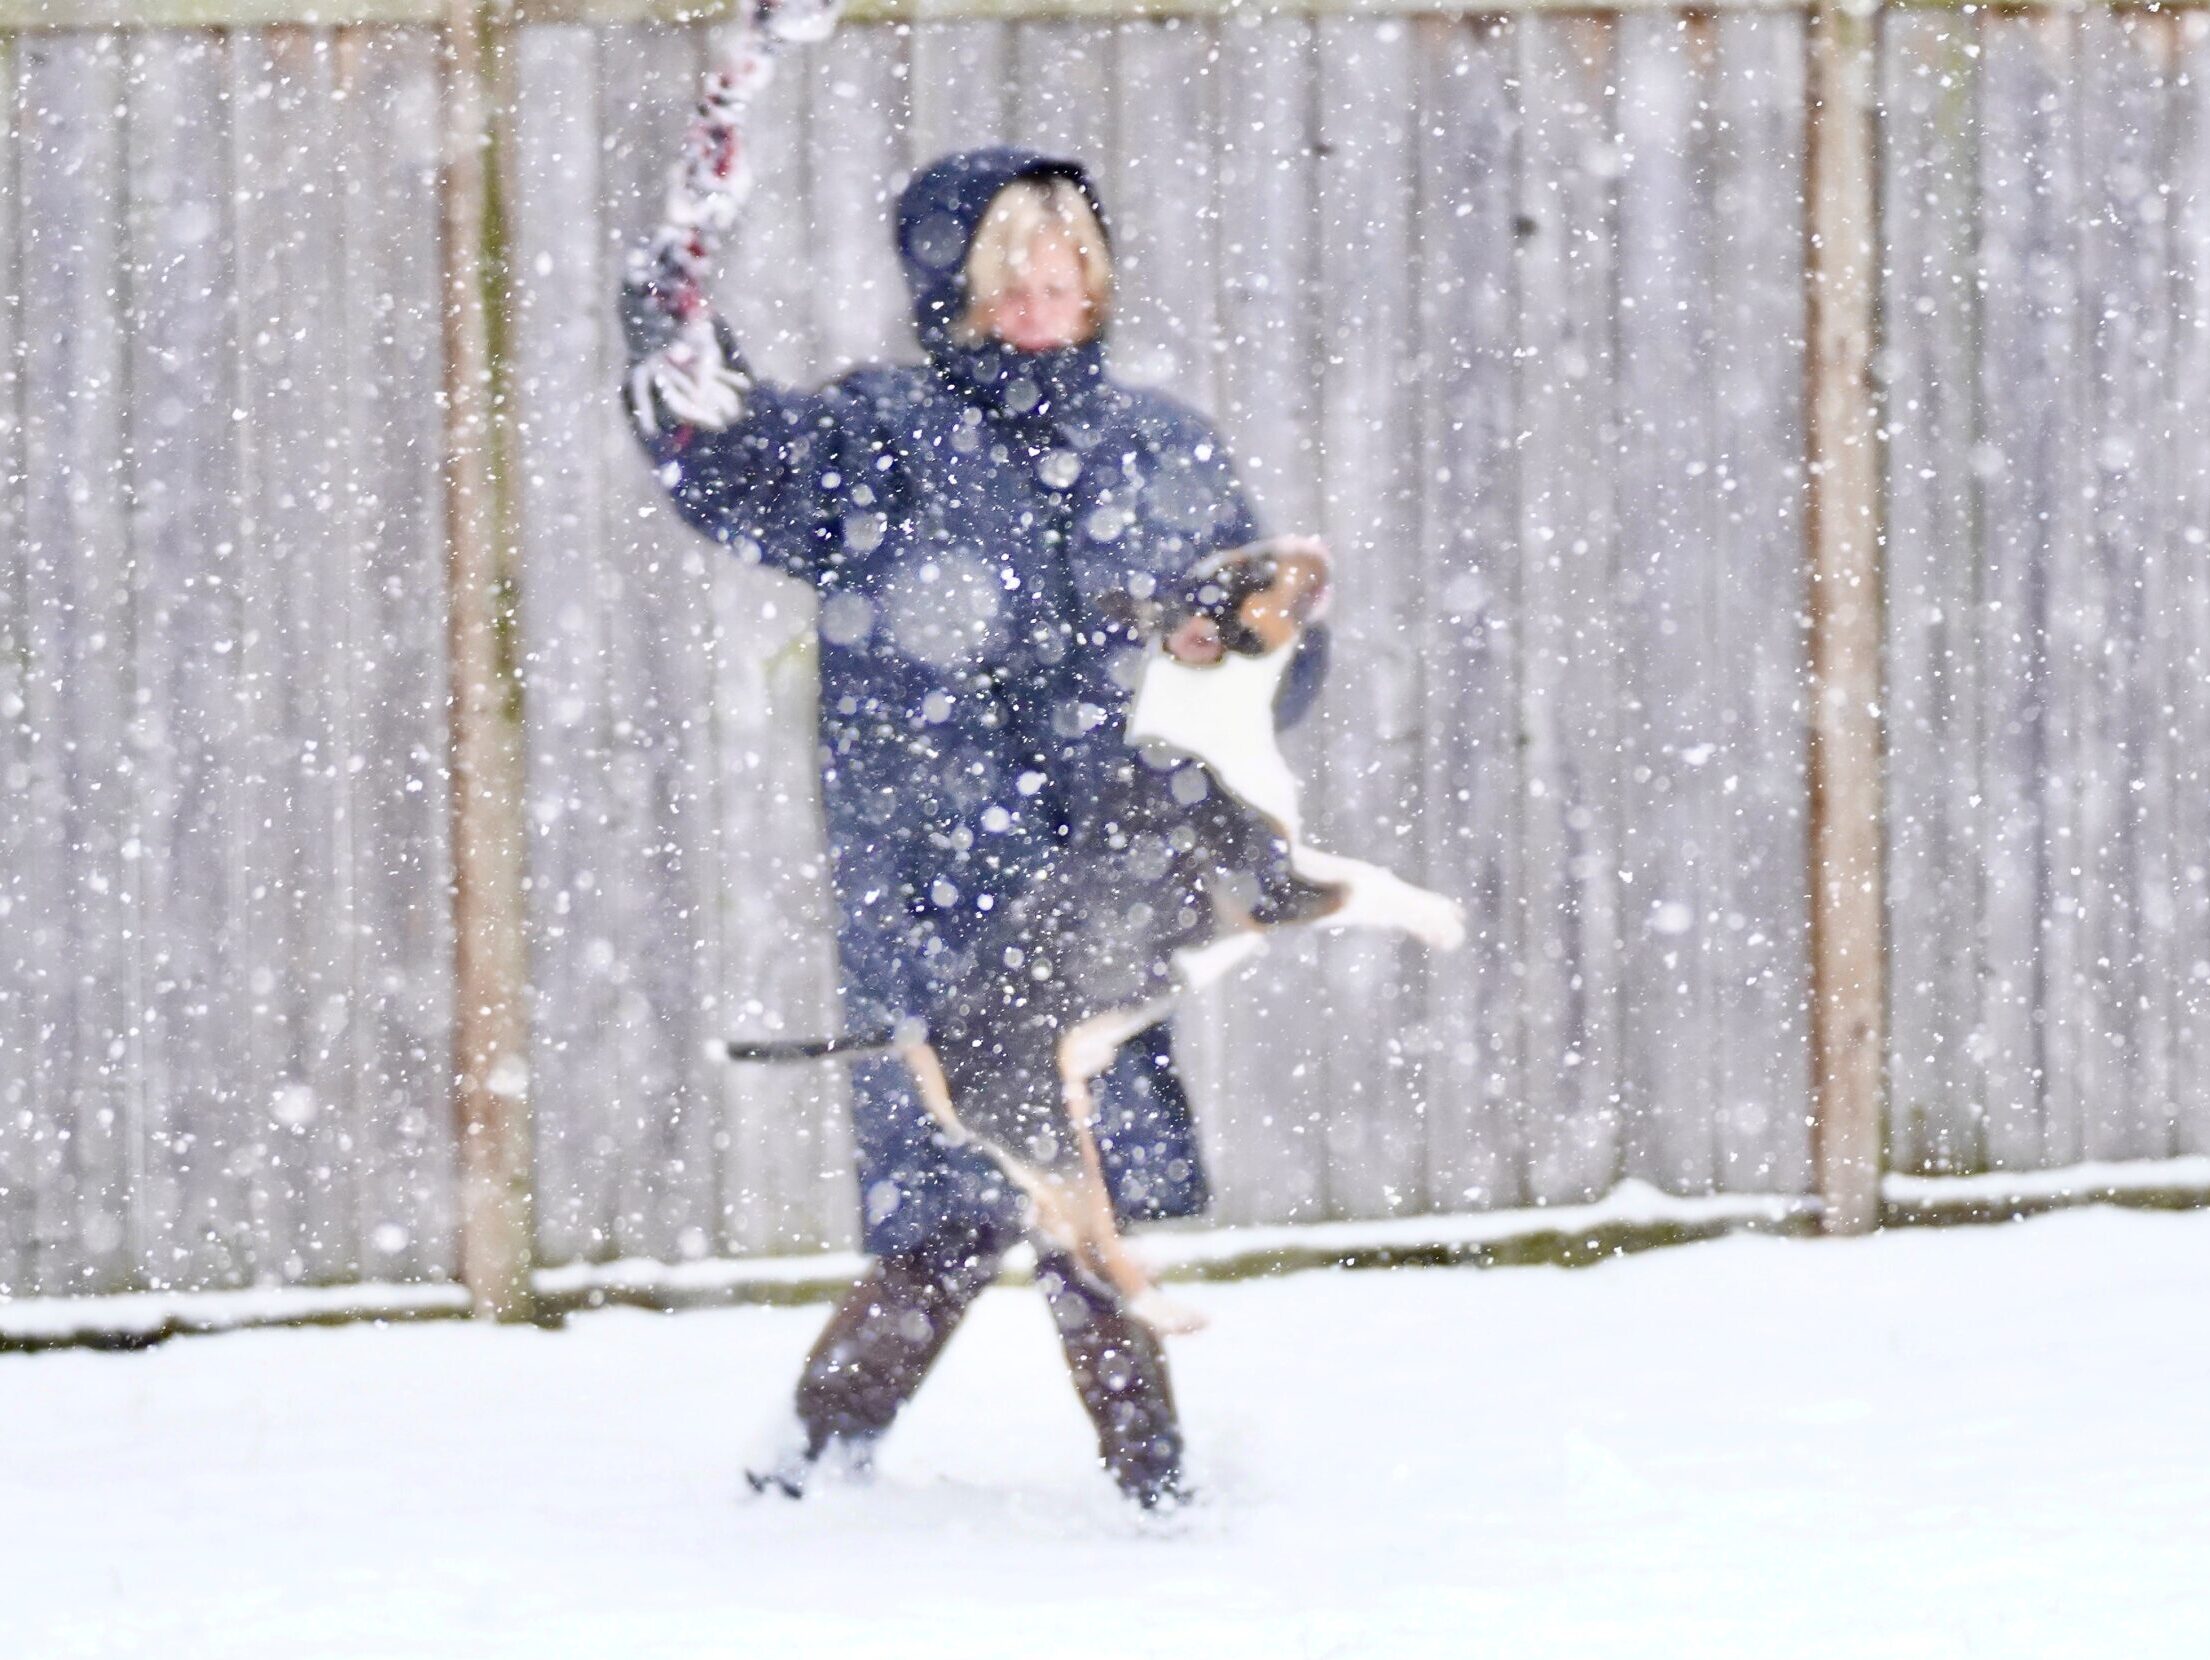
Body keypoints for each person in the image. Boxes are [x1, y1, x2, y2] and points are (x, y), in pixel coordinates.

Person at [621, 146, 1327, 1507]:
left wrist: (1249, 645)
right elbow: (727, 461)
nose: (1044, 299)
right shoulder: (879, 437)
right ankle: (818, 1477)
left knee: (1080, 1202)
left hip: (1106, 888)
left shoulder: (1160, 451)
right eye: (1013, 274)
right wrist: (673, 338)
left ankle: (1147, 1496)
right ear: (954, 287)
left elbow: (1268, 649)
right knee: (958, 1215)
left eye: (1069, 271)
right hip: (934, 890)